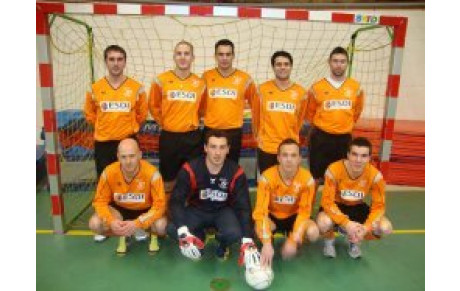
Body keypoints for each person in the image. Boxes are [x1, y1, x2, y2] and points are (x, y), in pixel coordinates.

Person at [167, 130, 260, 270]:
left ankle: (222, 244)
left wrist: (247, 238)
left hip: (223, 211)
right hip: (197, 209)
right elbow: (176, 200)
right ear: (205, 148)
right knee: (173, 228)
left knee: (238, 232)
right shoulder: (190, 168)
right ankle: (198, 240)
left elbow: (244, 207)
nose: (217, 153)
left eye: (222, 147)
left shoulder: (236, 172)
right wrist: (183, 231)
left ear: (228, 149)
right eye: (213, 147)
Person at [84, 44, 148, 242]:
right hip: (104, 143)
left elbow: (142, 115)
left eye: (120, 59)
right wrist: (106, 129)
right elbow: (90, 115)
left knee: (133, 182)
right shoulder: (95, 88)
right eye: (112, 59)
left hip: (128, 141)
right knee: (106, 183)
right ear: (106, 62)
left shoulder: (136, 88)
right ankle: (107, 223)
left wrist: (125, 131)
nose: (116, 63)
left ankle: (134, 222)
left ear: (125, 62)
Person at [316, 137, 392, 259]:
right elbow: (327, 202)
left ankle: (355, 241)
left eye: (363, 156)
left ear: (369, 158)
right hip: (336, 205)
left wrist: (365, 228)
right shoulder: (334, 170)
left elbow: (379, 207)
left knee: (385, 227)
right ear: (348, 155)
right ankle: (329, 241)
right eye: (354, 154)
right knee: (323, 223)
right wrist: (346, 224)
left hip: (357, 207)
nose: (358, 160)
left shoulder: (376, 176)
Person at [89, 138, 167, 255]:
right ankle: (123, 232)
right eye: (124, 157)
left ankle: (146, 232)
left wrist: (138, 223)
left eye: (132, 156)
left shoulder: (152, 174)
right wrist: (111, 222)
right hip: (120, 210)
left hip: (145, 211)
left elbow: (160, 206)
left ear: (140, 155)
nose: (128, 161)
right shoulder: (108, 172)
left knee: (161, 226)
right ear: (118, 156)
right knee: (95, 224)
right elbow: (100, 201)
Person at [148, 40, 206, 198]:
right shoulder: (161, 80)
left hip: (192, 137)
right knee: (168, 178)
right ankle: (168, 212)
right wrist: (165, 123)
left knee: (194, 177)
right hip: (169, 137)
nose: (183, 57)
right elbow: (153, 106)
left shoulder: (200, 84)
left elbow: (202, 109)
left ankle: (192, 211)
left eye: (186, 53)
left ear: (193, 57)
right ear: (174, 56)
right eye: (179, 53)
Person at [253, 139, 319, 267]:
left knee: (313, 232)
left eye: (293, 155)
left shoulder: (307, 179)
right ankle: (268, 245)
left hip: (294, 216)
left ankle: (294, 242)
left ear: (300, 158)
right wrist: (266, 243)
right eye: (285, 155)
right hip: (273, 216)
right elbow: (260, 212)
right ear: (278, 158)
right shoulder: (266, 178)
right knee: (257, 227)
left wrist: (294, 239)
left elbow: (304, 212)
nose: (289, 160)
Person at [306, 46, 364, 189]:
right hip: (321, 138)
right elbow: (309, 113)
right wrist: (326, 126)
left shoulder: (356, 87)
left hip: (344, 139)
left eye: (342, 61)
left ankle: (334, 209)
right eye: (335, 61)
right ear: (329, 62)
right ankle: (307, 210)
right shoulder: (317, 87)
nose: (339, 64)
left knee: (340, 178)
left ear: (347, 63)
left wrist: (342, 126)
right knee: (316, 178)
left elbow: (356, 112)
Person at [201, 39, 257, 164]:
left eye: (228, 54)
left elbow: (256, 105)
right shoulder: (206, 77)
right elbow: (199, 104)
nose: (224, 58)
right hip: (210, 129)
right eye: (221, 54)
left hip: (233, 131)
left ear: (233, 56)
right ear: (215, 56)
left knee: (231, 169)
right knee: (208, 167)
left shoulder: (245, 79)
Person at [252, 51, 308, 174]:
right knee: (268, 185)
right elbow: (255, 118)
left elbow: (299, 120)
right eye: (278, 64)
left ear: (291, 67)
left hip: (290, 149)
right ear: (273, 67)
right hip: (267, 147)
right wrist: (260, 138)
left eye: (286, 64)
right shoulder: (261, 90)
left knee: (288, 186)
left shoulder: (301, 92)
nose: (282, 67)